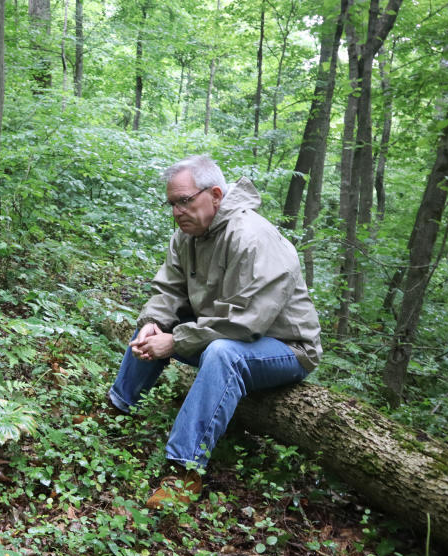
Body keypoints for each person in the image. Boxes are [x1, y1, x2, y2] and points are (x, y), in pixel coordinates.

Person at [108, 155, 322, 508]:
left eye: (185, 201)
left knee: (224, 353)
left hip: (285, 347)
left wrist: (175, 341)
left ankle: (185, 470)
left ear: (216, 195)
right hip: (223, 334)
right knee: (153, 326)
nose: (177, 211)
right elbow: (170, 293)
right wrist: (156, 325)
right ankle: (118, 407)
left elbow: (245, 323)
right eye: (172, 204)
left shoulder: (253, 238)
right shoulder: (187, 235)